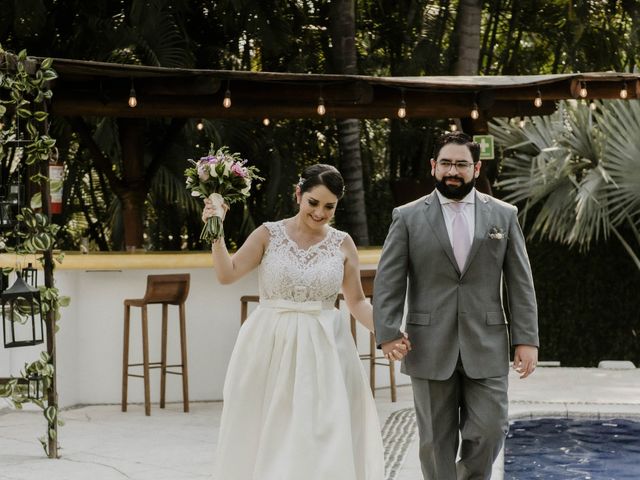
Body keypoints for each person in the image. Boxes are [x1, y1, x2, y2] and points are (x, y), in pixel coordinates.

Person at [206, 164, 404, 480]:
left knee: (320, 435)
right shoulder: (268, 234)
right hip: (270, 347)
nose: (319, 213)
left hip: (324, 349)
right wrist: (215, 228)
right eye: (313, 202)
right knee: (269, 432)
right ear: (298, 194)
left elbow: (356, 302)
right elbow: (226, 273)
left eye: (329, 207)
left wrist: (388, 333)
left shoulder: (343, 243)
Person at [373, 131, 539, 480]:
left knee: (492, 428)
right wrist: (388, 332)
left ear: (476, 168)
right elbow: (389, 279)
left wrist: (527, 339)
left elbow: (520, 281)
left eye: (462, 164)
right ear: (434, 167)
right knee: (435, 441)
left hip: (488, 341)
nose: (453, 170)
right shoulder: (406, 216)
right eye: (446, 163)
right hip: (428, 343)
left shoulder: (504, 216)